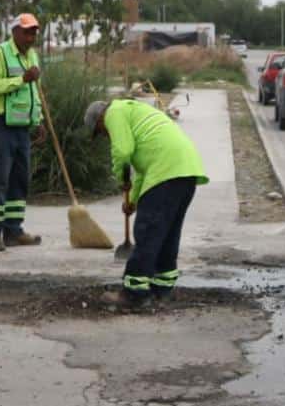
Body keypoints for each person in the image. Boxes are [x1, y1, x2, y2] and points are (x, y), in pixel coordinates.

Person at [84, 98, 208, 306]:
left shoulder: (114, 112)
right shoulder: (134, 112)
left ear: (100, 119)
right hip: (186, 171)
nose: (106, 136)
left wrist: (121, 179)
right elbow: (142, 171)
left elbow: (123, 151)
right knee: (167, 234)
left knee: (147, 231)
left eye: (101, 132)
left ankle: (134, 293)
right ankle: (162, 289)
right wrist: (132, 201)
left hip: (165, 171)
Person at [0, 13, 46, 252]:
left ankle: (13, 231)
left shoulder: (32, 56)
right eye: (27, 32)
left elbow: (34, 92)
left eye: (34, 33)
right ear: (15, 31)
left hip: (21, 128)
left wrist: (38, 119)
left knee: (19, 180)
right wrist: (21, 79)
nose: (31, 37)